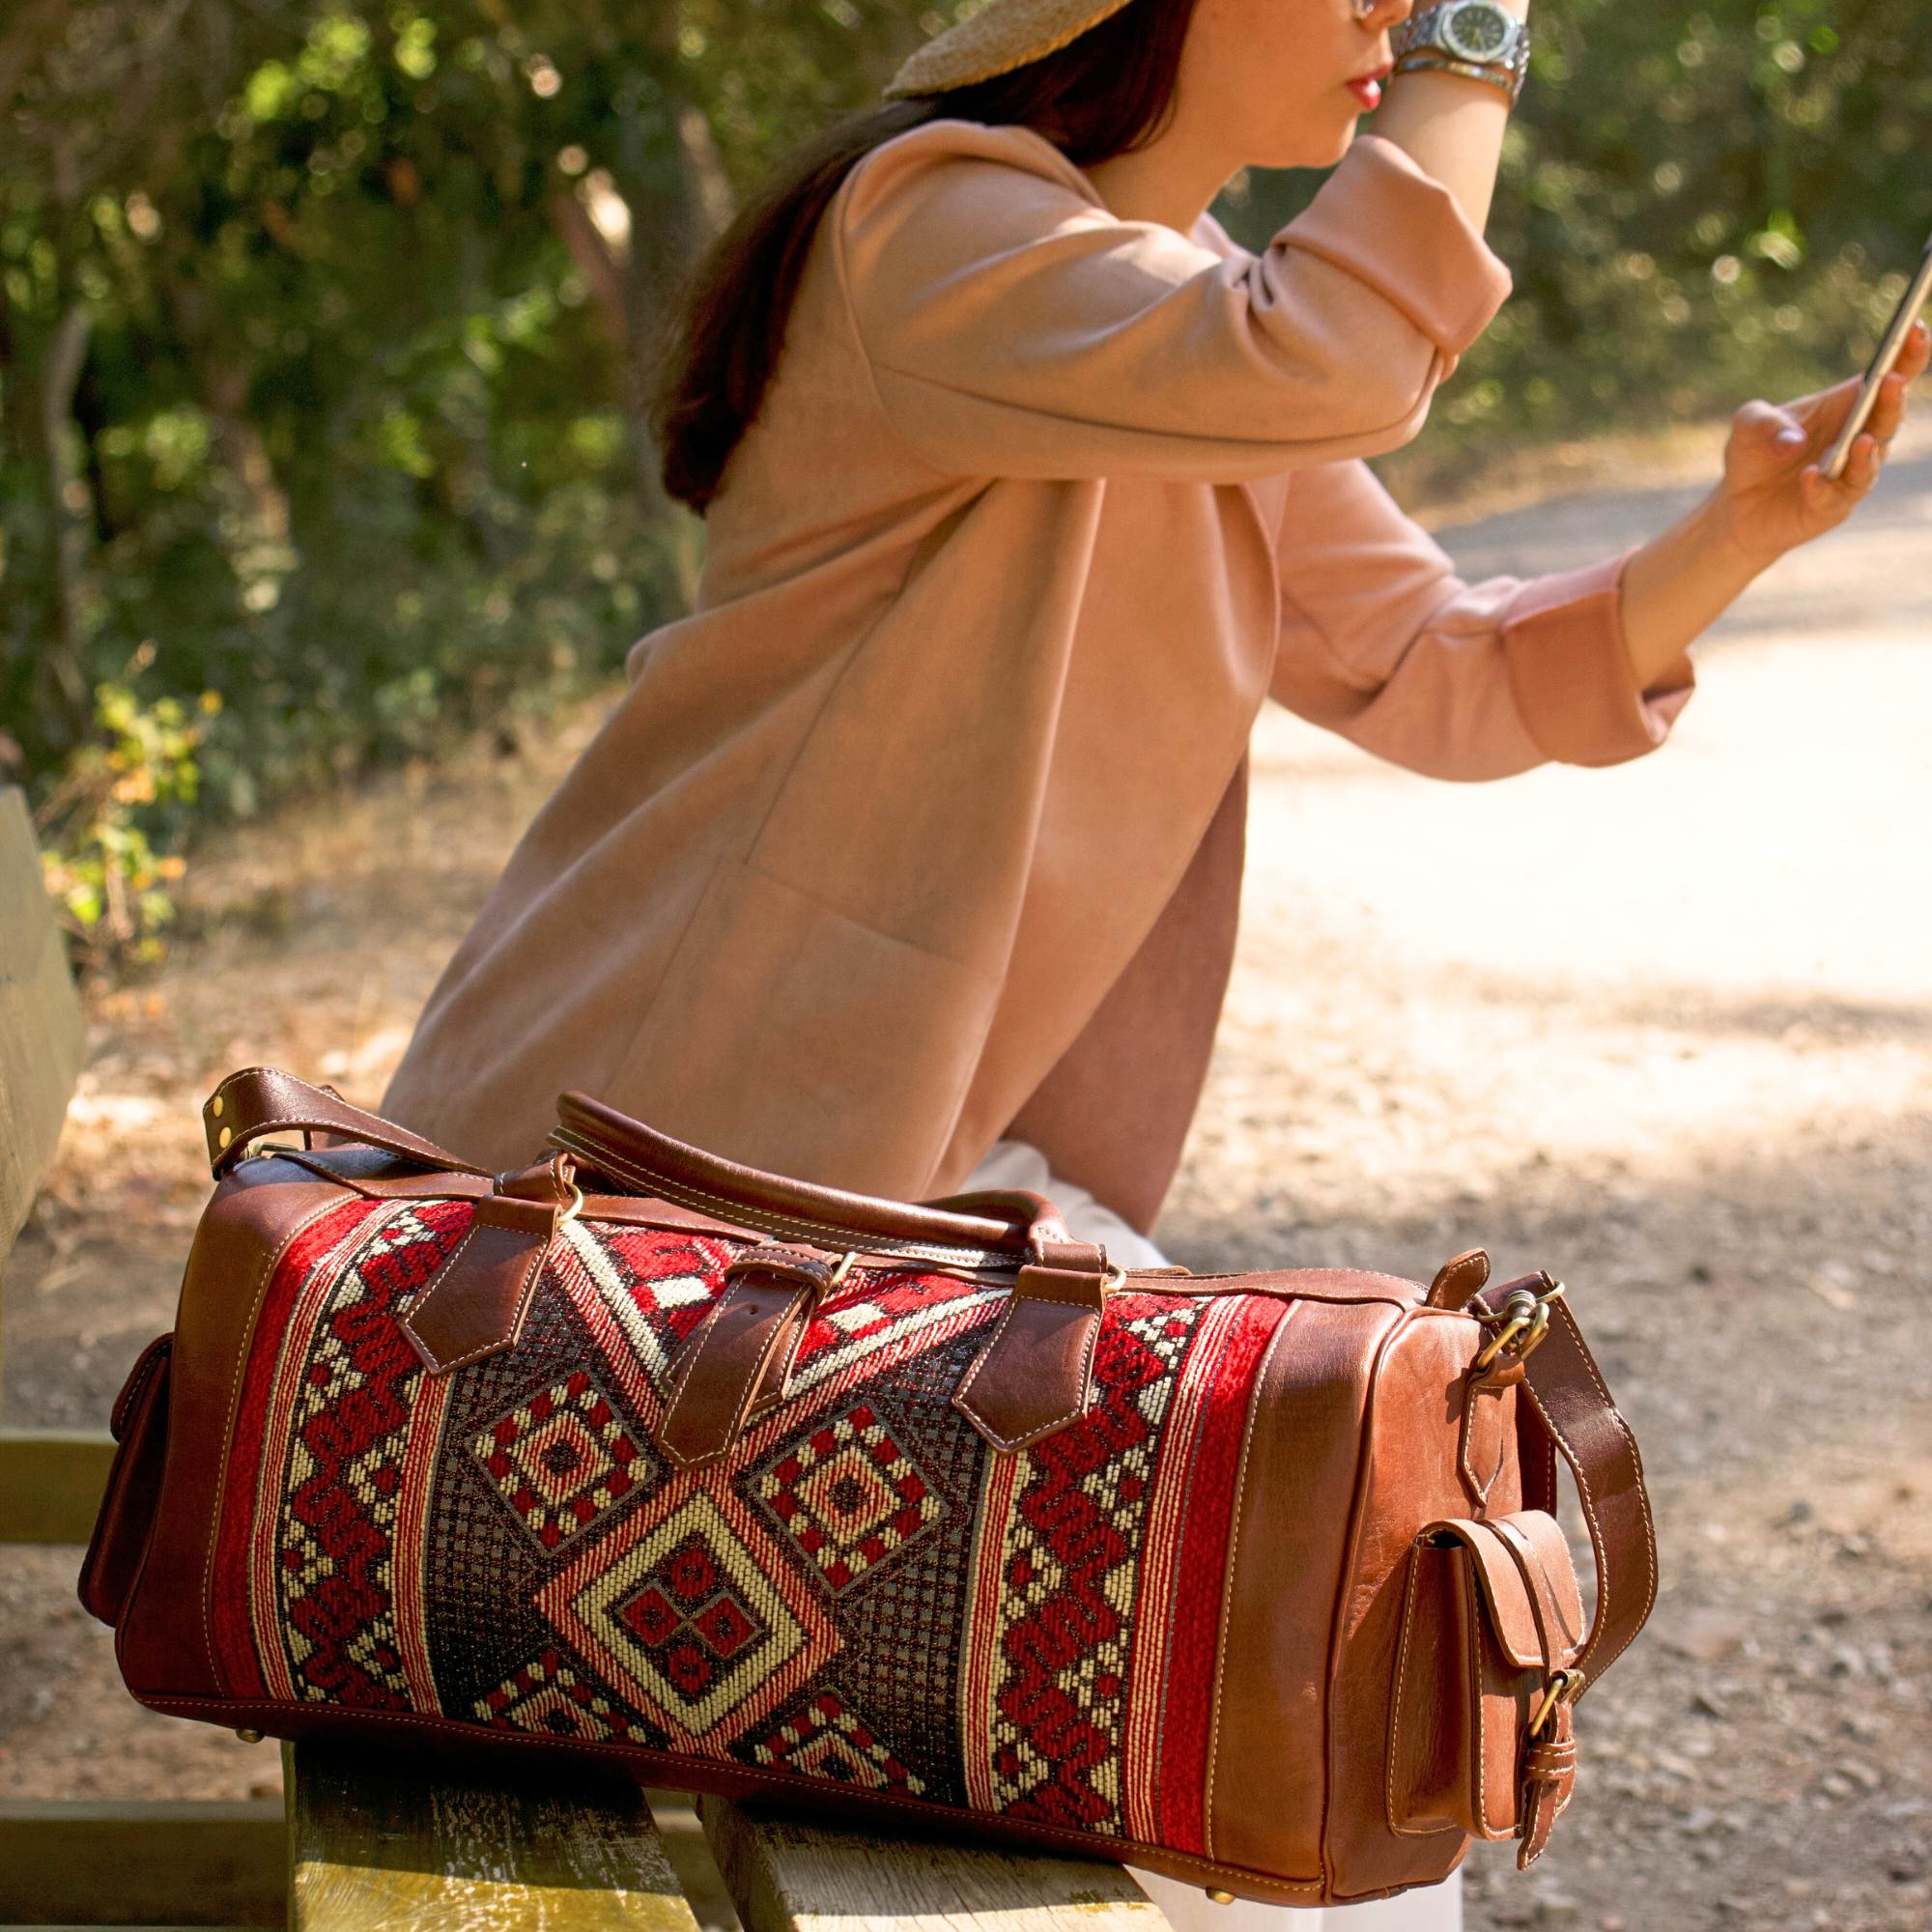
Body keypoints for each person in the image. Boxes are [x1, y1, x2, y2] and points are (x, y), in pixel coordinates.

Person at [379, 0, 1920, 1920]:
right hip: (641, 1195)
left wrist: (1737, 531)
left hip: (891, 1215)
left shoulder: (1174, 311)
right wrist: (1476, 39)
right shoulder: (931, 227)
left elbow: (1434, 663)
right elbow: (1333, 356)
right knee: (1258, 1735)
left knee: (1309, 1710)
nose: (1390, 13)